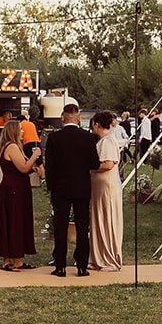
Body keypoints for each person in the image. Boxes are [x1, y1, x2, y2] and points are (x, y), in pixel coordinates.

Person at [43, 103, 100, 277]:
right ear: (78, 118)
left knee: (60, 227)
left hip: (60, 188)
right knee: (83, 227)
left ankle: (60, 266)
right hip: (82, 188)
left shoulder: (54, 138)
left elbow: (50, 167)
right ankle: (81, 266)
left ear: (62, 118)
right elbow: (95, 164)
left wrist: (51, 187)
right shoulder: (88, 138)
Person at [0, 119, 42, 271]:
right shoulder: (11, 147)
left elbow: (19, 169)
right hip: (14, 190)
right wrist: (35, 156)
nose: (23, 131)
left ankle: (16, 259)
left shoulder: (11, 146)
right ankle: (9, 260)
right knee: (14, 221)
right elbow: (23, 168)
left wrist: (34, 169)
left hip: (14, 188)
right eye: (20, 129)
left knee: (13, 222)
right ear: (13, 131)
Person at [88, 111, 124, 272]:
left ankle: (109, 258)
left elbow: (108, 164)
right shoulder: (104, 140)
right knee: (100, 220)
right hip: (101, 188)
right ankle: (98, 255)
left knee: (107, 219)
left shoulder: (108, 141)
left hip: (107, 187)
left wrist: (90, 167)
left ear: (97, 124)